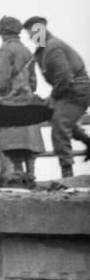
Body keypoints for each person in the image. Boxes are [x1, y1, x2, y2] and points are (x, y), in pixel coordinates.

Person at [24, 16, 90, 178]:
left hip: (76, 91)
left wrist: (53, 97)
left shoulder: (53, 49)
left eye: (33, 32)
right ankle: (88, 141)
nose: (31, 36)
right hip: (68, 92)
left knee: (59, 128)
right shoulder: (44, 50)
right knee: (59, 118)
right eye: (30, 33)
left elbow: (65, 77)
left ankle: (67, 175)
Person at [0, 16, 44, 185]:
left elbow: (1, 78)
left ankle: (18, 177)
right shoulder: (27, 50)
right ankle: (31, 175)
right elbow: (33, 81)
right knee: (29, 141)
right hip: (27, 99)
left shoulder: (5, 51)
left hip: (11, 100)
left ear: (4, 33)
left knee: (12, 142)